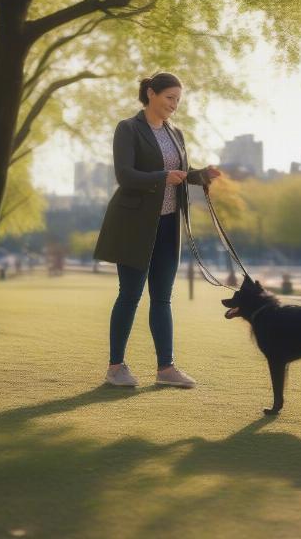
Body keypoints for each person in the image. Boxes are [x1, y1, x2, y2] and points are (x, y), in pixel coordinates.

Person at [94, 72, 221, 388]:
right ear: (150, 93)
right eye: (169, 98)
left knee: (162, 297)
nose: (174, 105)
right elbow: (125, 175)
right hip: (135, 225)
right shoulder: (128, 129)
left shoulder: (175, 133)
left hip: (168, 225)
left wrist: (200, 175)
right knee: (130, 294)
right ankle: (115, 368)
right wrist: (162, 176)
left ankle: (166, 369)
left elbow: (179, 174)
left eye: (178, 99)